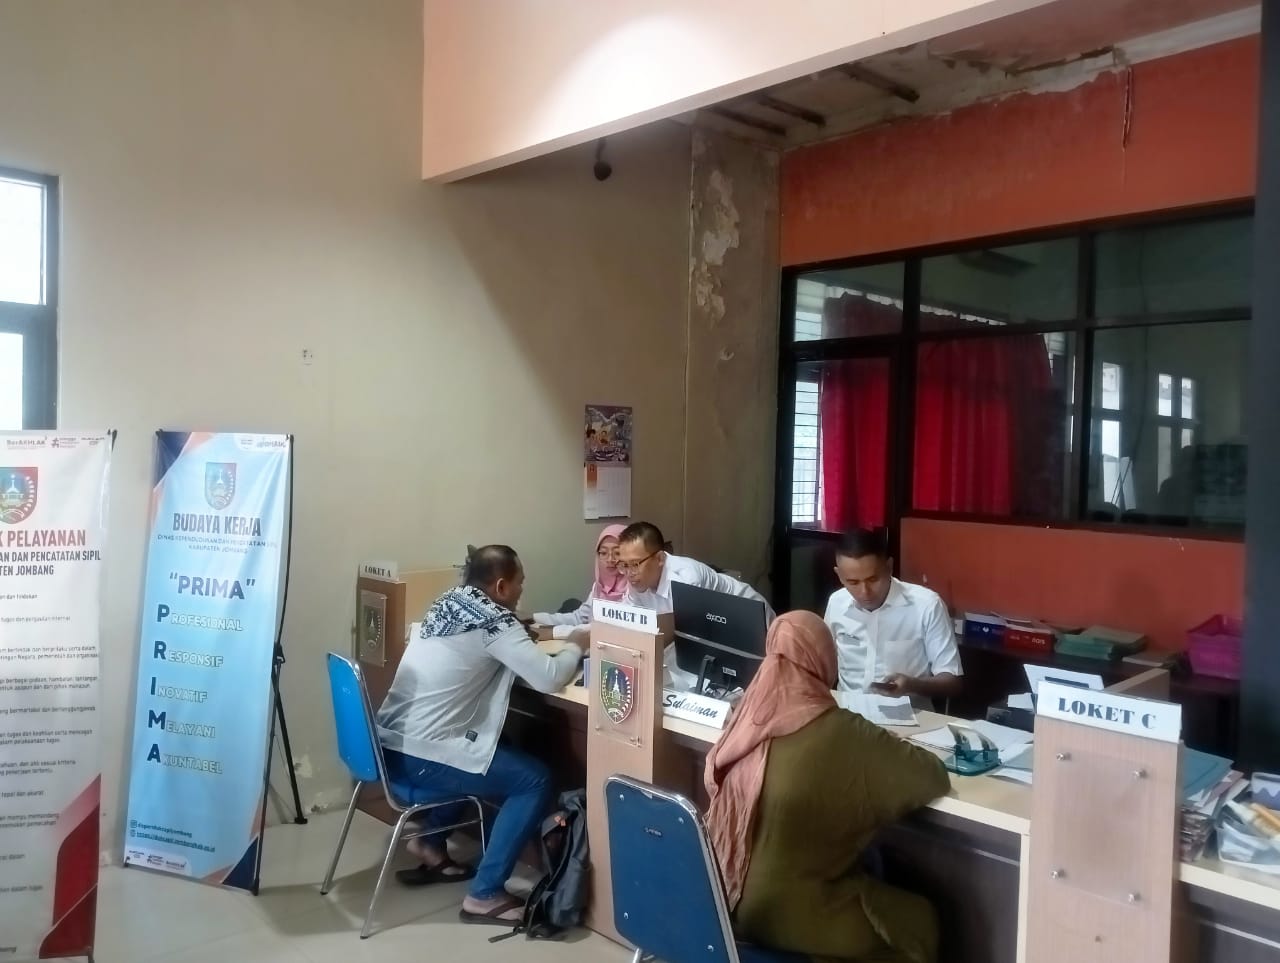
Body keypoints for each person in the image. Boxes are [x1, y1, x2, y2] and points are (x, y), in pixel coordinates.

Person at [704, 611, 949, 963]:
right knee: (920, 920)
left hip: (724, 902)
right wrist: (881, 742)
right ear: (825, 658)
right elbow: (930, 776)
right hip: (788, 915)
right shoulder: (842, 731)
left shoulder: (746, 719)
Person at [375, 545, 584, 925]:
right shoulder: (496, 623)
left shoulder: (449, 601)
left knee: (494, 748)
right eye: (520, 583)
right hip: (422, 759)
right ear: (501, 586)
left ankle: (430, 842)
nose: (521, 591)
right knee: (534, 779)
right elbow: (549, 677)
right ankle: (485, 894)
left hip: (389, 749)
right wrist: (575, 646)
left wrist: (515, 635)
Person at [824, 529, 962, 706]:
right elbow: (823, 664)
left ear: (889, 567)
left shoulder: (927, 605)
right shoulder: (836, 602)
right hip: (848, 712)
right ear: (839, 575)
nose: (864, 592)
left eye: (873, 579)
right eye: (853, 582)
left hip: (909, 715)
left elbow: (952, 682)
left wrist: (912, 685)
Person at [615, 521, 775, 621]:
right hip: (714, 627)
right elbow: (626, 619)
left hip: (747, 614)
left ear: (659, 558)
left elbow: (685, 636)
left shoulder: (686, 579)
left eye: (635, 564)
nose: (629, 573)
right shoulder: (636, 579)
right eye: (624, 565)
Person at [530, 524, 627, 638]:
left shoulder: (634, 591)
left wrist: (553, 633)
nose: (610, 559)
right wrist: (534, 617)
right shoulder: (599, 586)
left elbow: (604, 629)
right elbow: (579, 617)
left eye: (617, 553)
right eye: (604, 553)